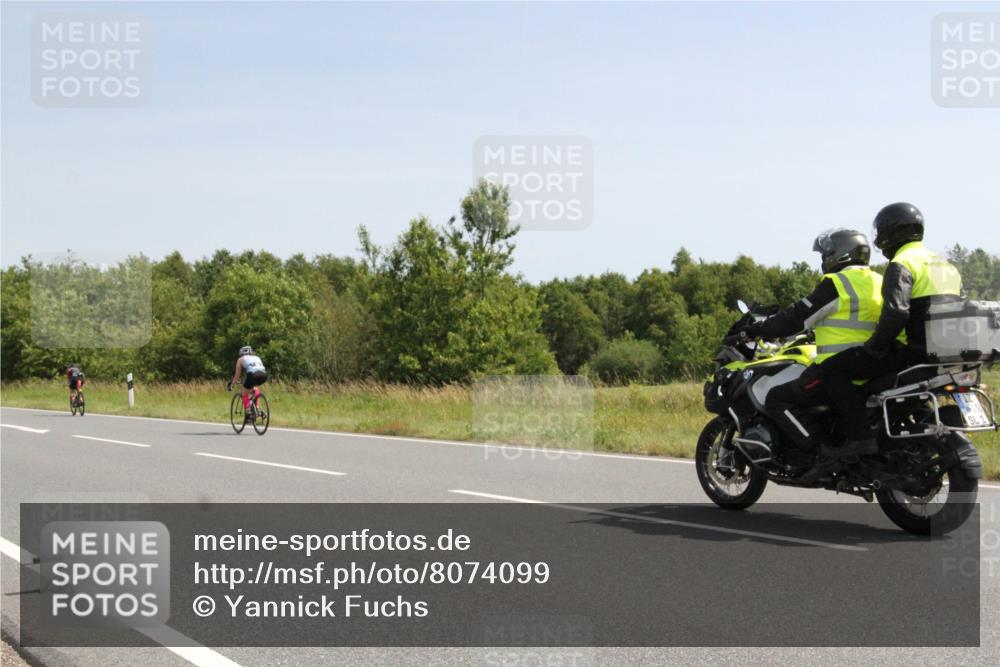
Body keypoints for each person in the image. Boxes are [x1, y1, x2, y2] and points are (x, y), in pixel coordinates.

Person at [813, 203, 962, 468]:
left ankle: (859, 438)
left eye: (881, 231)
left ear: (892, 233)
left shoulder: (903, 263)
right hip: (945, 354)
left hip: (912, 352)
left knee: (832, 370)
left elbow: (896, 312)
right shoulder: (945, 265)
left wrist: (874, 348)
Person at [741, 229, 883, 461]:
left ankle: (820, 452)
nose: (823, 260)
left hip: (836, 370)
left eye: (825, 254)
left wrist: (758, 330)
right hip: (871, 367)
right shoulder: (878, 281)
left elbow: (797, 317)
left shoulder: (838, 283)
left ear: (839, 255)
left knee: (778, 399)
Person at [227, 346, 268, 415]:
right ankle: (257, 407)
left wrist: (232, 384)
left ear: (241, 353)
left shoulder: (240, 359)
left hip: (253, 375)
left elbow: (237, 376)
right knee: (254, 388)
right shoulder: (257, 357)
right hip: (264, 375)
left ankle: (248, 411)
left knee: (244, 392)